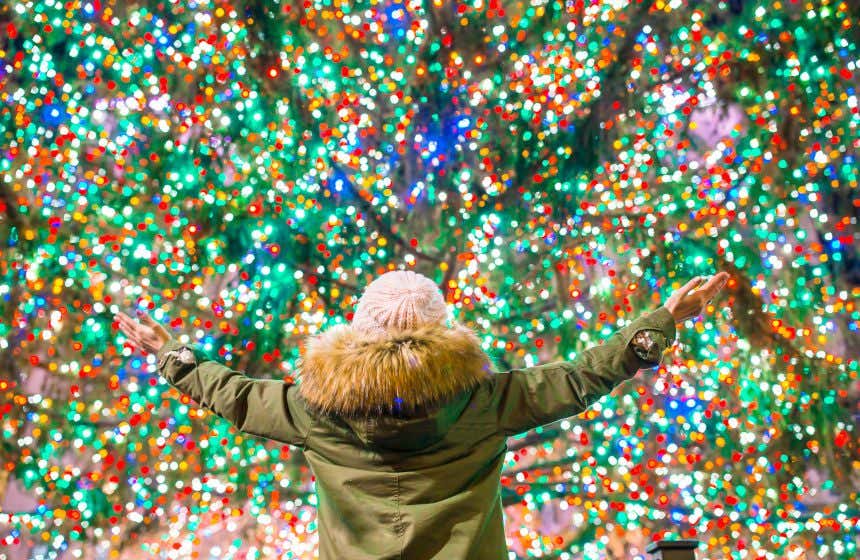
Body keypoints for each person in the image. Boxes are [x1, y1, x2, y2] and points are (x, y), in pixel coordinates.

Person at [116, 270, 730, 559]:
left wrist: (170, 354)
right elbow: (580, 378)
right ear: (444, 333)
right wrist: (659, 324)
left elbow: (236, 395)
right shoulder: (485, 400)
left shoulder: (312, 408)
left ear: (358, 332)